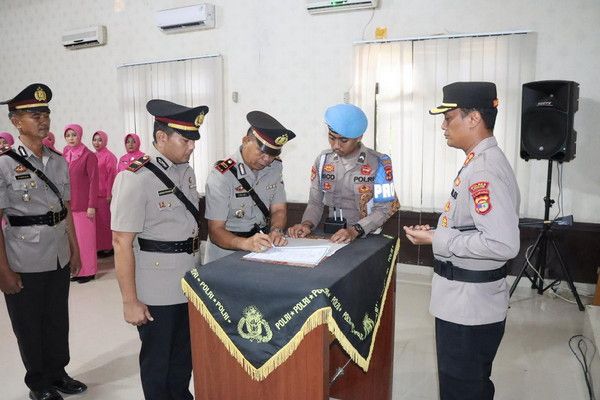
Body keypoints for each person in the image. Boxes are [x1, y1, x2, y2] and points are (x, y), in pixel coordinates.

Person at [403, 82, 520, 400]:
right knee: (471, 387)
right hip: (468, 303)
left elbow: (503, 244)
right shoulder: (480, 161)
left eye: (449, 117)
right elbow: (471, 226)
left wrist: (440, 239)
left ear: (474, 118)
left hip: (468, 308)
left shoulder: (483, 170)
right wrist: (437, 234)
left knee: (462, 390)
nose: (443, 126)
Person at [111, 99, 208, 400]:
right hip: (156, 287)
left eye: (193, 140)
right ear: (162, 137)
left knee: (183, 355)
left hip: (188, 279)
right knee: (158, 360)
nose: (191, 146)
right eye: (185, 140)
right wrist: (130, 301)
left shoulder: (186, 172)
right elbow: (121, 242)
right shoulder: (134, 178)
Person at [0, 83, 87, 400]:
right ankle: (38, 383)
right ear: (16, 121)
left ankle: (57, 373)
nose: (43, 120)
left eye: (45, 114)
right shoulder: (3, 163)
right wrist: (3, 270)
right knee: (29, 324)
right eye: (34, 115)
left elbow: (65, 211)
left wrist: (75, 250)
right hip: (23, 257)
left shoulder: (58, 160)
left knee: (56, 319)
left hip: (58, 254)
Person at [288, 103, 399, 243]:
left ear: (359, 137)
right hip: (331, 236)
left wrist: (354, 230)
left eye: (343, 140)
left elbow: (384, 209)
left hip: (366, 236)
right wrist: (306, 224)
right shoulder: (323, 160)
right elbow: (315, 202)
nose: (336, 145)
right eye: (331, 137)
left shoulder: (379, 163)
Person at [204, 111, 295, 263]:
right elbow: (215, 231)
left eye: (272, 154)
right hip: (225, 256)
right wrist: (246, 243)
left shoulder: (274, 168)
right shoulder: (222, 174)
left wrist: (276, 230)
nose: (267, 159)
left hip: (261, 250)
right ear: (246, 141)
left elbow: (279, 210)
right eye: (262, 151)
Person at [63, 124, 99, 283]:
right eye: (68, 135)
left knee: (86, 240)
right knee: (73, 240)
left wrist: (92, 205)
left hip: (84, 206)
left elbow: (93, 181)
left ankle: (88, 271)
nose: (71, 138)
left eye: (74, 135)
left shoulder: (88, 155)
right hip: (69, 205)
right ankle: (77, 270)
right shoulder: (65, 154)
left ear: (80, 136)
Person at [92, 130, 117, 256]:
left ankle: (108, 247)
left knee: (106, 221)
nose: (96, 142)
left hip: (105, 196)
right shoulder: (92, 156)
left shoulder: (109, 156)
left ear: (105, 141)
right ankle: (99, 247)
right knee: (97, 223)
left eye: (100, 140)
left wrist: (109, 194)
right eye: (94, 140)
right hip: (94, 195)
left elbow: (111, 176)